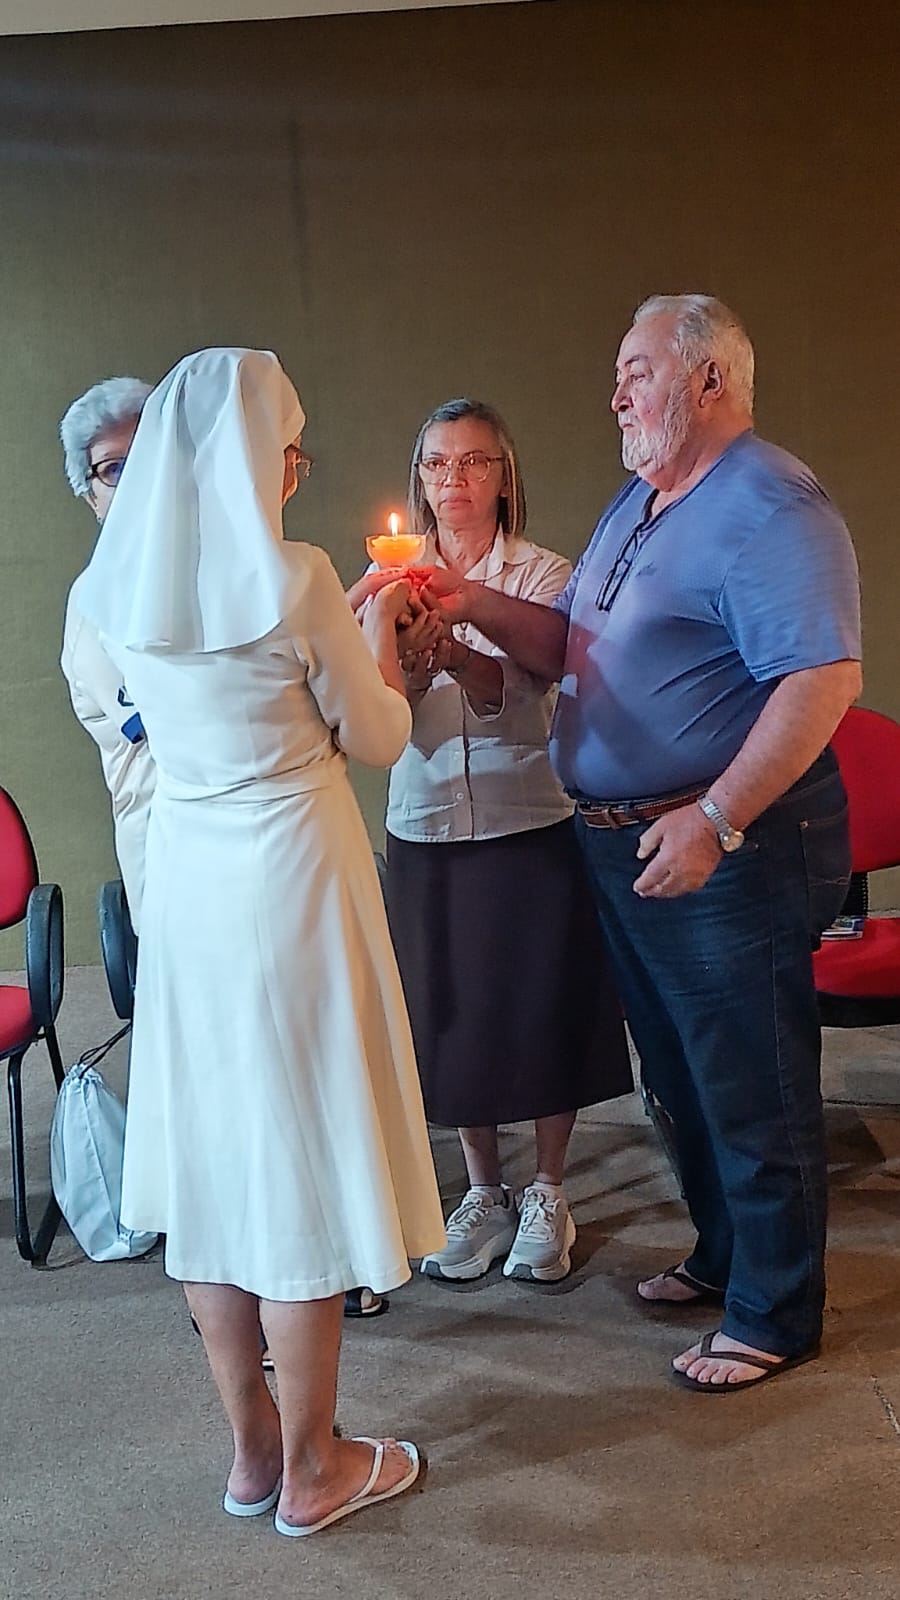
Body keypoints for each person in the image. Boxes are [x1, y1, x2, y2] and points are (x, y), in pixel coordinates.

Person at [416, 298, 861, 1390]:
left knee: (750, 1076)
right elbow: (569, 644)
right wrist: (468, 601)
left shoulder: (770, 502)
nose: (616, 392)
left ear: (709, 380)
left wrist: (717, 819)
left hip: (731, 838)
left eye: (637, 370)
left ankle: (776, 1312)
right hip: (626, 838)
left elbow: (822, 678)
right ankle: (726, 1256)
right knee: (679, 1072)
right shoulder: (645, 499)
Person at [76, 346, 446, 1532]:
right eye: (289, 446)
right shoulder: (294, 576)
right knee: (296, 1166)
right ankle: (315, 1467)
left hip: (191, 887)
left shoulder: (115, 589)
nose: (296, 466)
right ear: (250, 454)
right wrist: (379, 628)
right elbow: (377, 733)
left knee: (212, 1165)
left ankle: (250, 1454)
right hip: (293, 879)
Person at [59, 375, 389, 1324]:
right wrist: (352, 658)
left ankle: (292, 1283)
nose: (132, 483)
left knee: (273, 1084)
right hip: (227, 857)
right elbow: (333, 726)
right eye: (110, 470)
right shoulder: (135, 593)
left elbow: (245, 684)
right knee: (255, 1092)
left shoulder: (159, 586)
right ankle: (298, 1266)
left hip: (209, 855)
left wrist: (315, 657)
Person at [352, 399, 631, 1285]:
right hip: (426, 813)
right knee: (456, 1011)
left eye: (474, 461)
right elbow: (367, 702)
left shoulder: (543, 573)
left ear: (504, 476)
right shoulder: (386, 583)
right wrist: (406, 661)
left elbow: (545, 673)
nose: (455, 480)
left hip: (527, 809)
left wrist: (462, 658)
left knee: (543, 1002)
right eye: (437, 463)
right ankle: (483, 1189)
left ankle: (548, 1187)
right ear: (420, 479)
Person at [60, 377, 155, 925]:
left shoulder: (205, 572)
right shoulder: (95, 603)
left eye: (147, 456)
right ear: (91, 496)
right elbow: (167, 724)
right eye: (114, 469)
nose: (136, 478)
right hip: (165, 842)